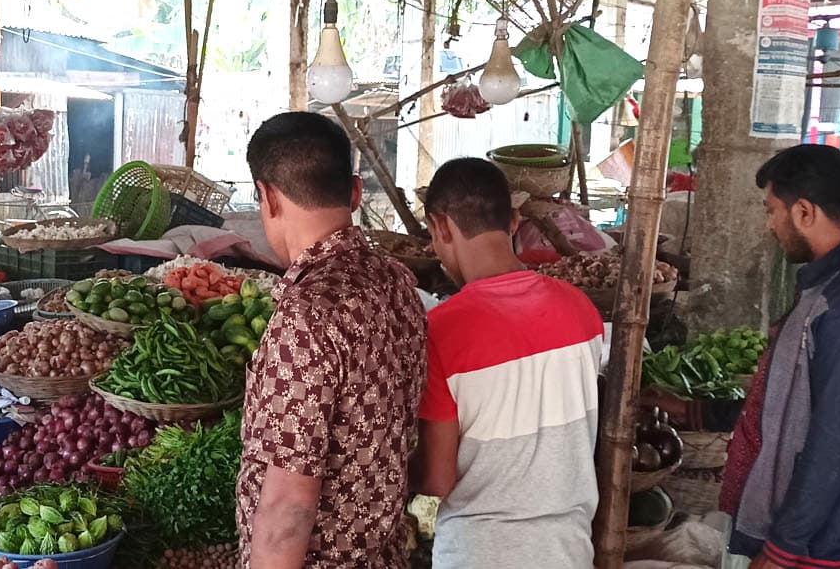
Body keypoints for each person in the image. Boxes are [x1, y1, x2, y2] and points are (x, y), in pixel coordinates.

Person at [236, 112, 427, 569]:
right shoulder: (397, 282)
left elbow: (289, 505)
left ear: (267, 197)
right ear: (356, 192)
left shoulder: (306, 314)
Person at [414, 157, 604, 568]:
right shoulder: (582, 310)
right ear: (515, 221)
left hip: (479, 552)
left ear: (440, 227)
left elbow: (438, 479)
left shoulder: (441, 331)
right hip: (568, 550)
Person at [720, 144, 840, 569]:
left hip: (835, 543)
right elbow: (791, 402)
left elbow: (835, 434)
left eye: (772, 210)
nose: (770, 225)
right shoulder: (837, 287)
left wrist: (783, 547)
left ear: (804, 212)